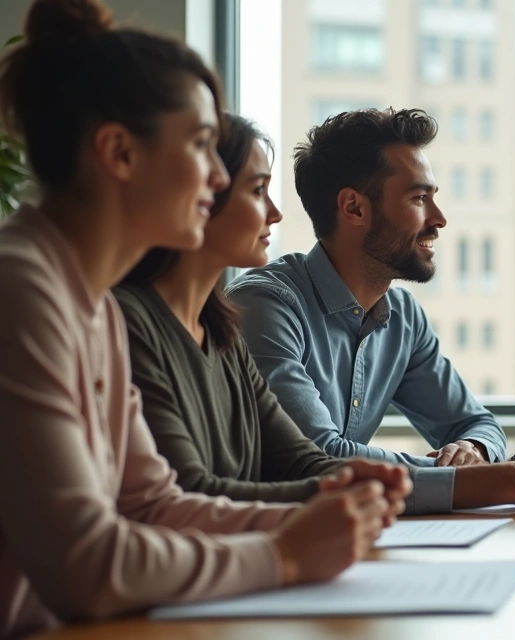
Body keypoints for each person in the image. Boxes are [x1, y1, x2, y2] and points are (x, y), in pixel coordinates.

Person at [0, 1, 408, 636]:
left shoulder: (92, 306)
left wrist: (324, 520)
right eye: (199, 146)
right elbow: (87, 564)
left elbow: (152, 505)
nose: (217, 176)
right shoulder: (21, 289)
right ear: (119, 153)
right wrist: (285, 553)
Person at [227, 107, 515, 513]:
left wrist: (474, 451)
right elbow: (319, 458)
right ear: (354, 208)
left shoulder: (403, 318)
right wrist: (509, 478)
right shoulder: (265, 306)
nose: (439, 219)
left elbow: (476, 425)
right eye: (419, 198)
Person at [114, 112, 392, 503]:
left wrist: (379, 482)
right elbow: (189, 493)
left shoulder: (223, 330)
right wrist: (351, 493)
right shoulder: (127, 324)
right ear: (205, 194)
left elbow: (301, 461)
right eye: (258, 190)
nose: (274, 213)